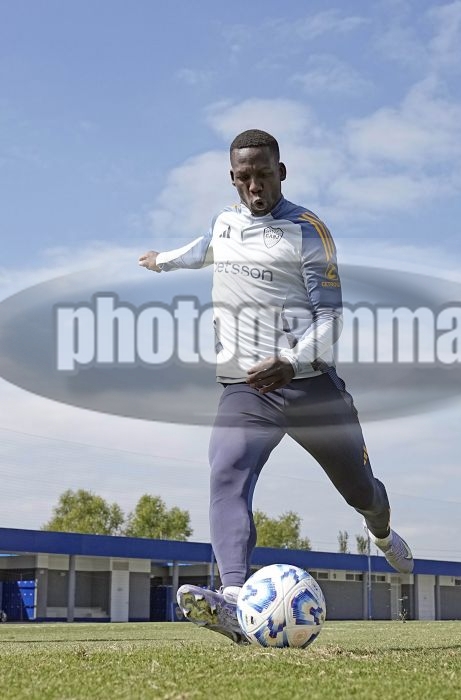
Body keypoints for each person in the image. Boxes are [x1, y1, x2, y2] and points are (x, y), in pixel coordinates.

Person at [139, 129, 413, 643]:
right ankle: (234, 600)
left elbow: (331, 318)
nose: (255, 186)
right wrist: (162, 261)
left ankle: (379, 531)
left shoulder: (307, 231)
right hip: (248, 390)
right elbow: (203, 250)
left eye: (263, 174)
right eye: (244, 177)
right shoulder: (225, 223)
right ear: (232, 178)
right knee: (226, 473)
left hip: (312, 388)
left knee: (362, 491)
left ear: (281, 172)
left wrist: (290, 360)